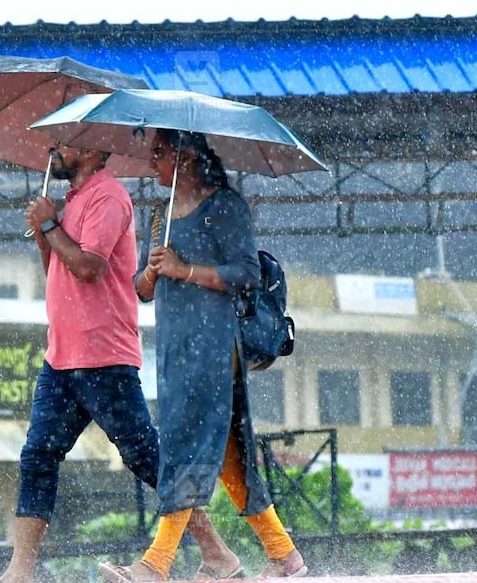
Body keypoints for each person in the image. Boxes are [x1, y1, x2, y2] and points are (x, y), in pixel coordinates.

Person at [0, 145, 235, 583]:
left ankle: (216, 552)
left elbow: (89, 268)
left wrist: (49, 223)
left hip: (103, 354)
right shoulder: (71, 202)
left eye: (63, 143)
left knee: (145, 456)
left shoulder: (110, 197)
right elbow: (58, 269)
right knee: (38, 455)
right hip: (62, 354)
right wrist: (44, 231)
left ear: (89, 150)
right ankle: (20, 570)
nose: (53, 151)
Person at [99, 129, 307, 582]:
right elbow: (142, 289)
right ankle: (283, 553)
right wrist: (154, 272)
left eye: (159, 153)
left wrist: (183, 269)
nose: (151, 161)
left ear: (187, 157)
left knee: (182, 446)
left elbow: (247, 274)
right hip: (175, 350)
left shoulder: (226, 208)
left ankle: (156, 564)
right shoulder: (161, 215)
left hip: (215, 347)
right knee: (231, 456)